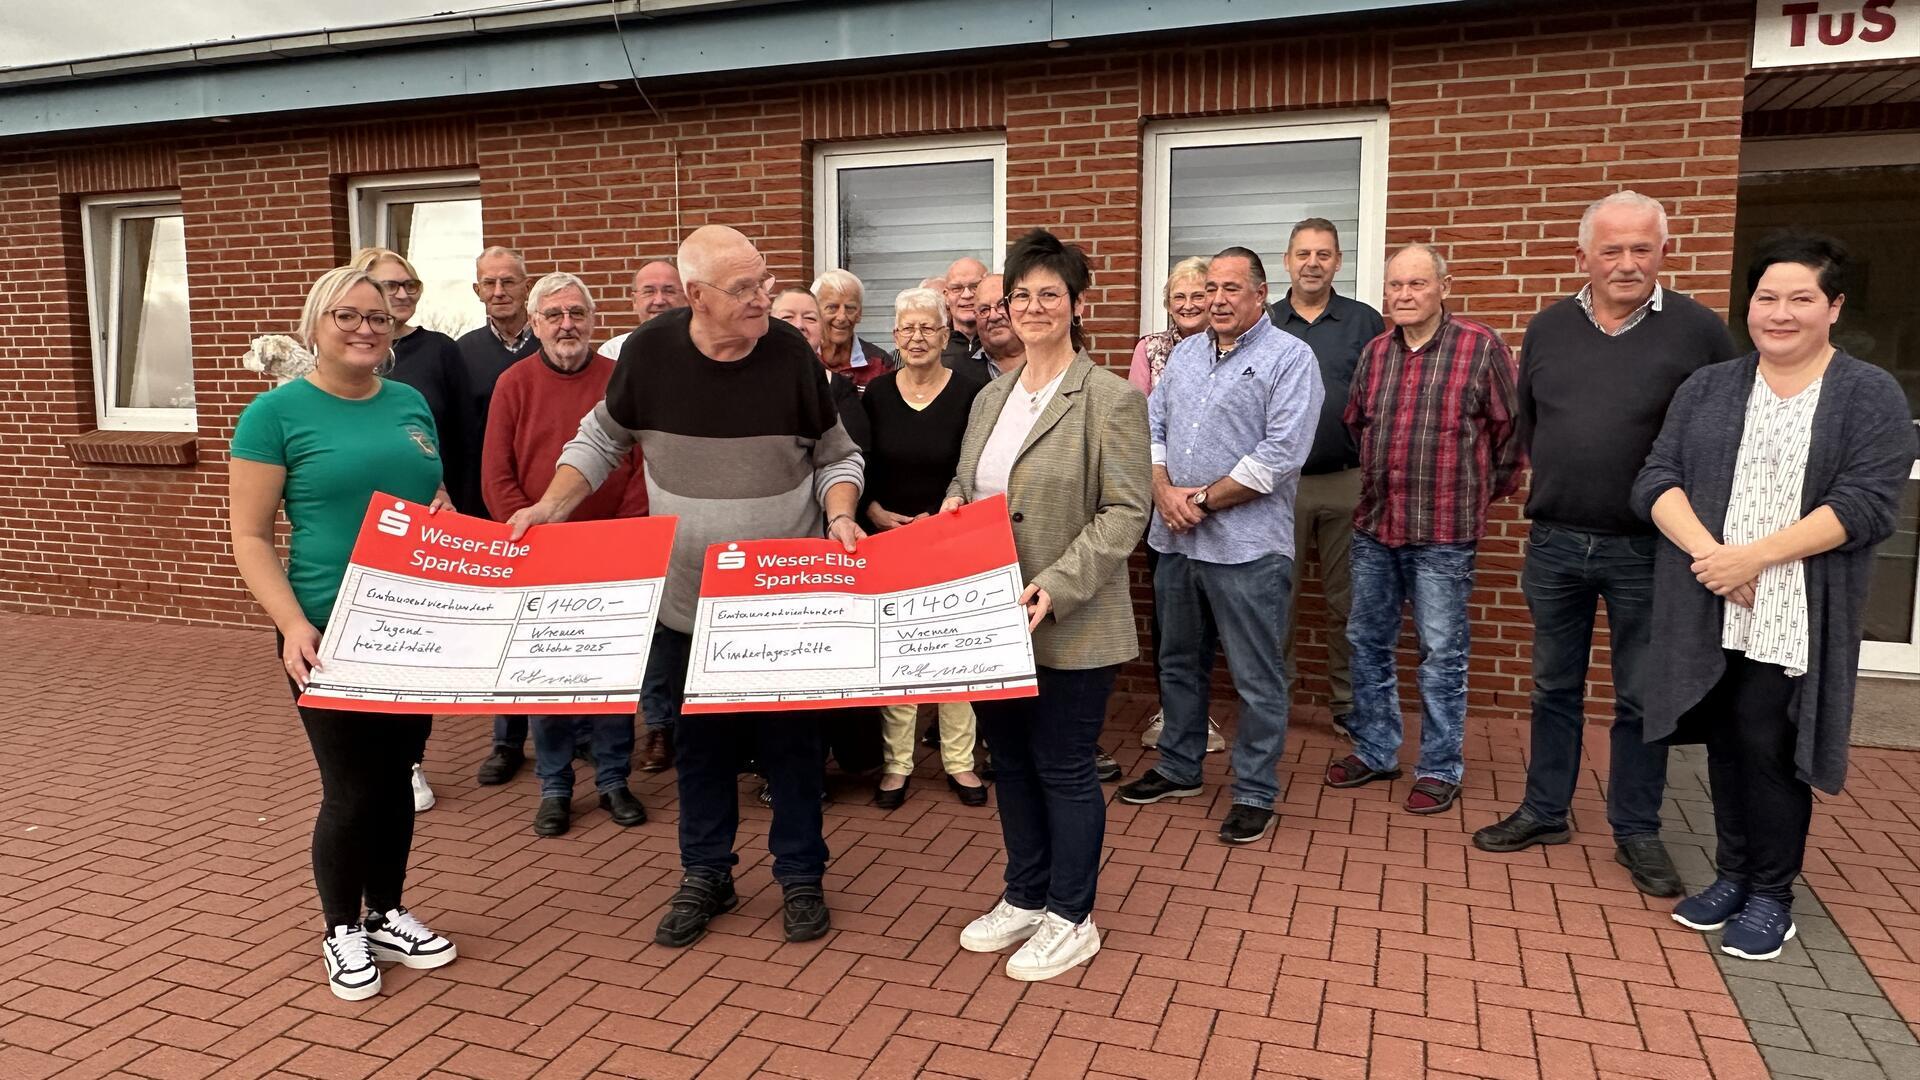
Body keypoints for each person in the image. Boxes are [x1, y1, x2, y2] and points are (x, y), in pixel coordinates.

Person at [508, 225, 865, 949]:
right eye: (745, 288)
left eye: (765, 281)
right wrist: (550, 505)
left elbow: (837, 455)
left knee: (794, 749)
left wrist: (840, 515)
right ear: (696, 296)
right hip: (689, 603)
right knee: (701, 751)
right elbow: (602, 437)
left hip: (780, 602)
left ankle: (800, 875)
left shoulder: (792, 355)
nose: (764, 297)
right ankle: (708, 873)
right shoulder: (650, 354)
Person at [1634, 233, 1914, 961]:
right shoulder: (1711, 388)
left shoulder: (1867, 392)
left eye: (1801, 299)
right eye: (1766, 298)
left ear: (1834, 307)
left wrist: (1754, 558)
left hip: (1796, 610)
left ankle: (1772, 895)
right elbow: (1656, 478)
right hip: (1710, 598)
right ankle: (1732, 875)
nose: (1779, 313)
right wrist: (1714, 558)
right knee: (1724, 742)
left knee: (1769, 743)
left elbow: (1865, 504)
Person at [1472, 193, 1740, 898]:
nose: (1626, 263)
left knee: (1643, 696)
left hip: (1651, 550)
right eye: (1612, 250)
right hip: (1557, 542)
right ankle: (1544, 810)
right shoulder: (1549, 327)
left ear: (1663, 253)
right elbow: (1533, 426)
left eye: (1641, 249)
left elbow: (1723, 438)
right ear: (1582, 258)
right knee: (1551, 687)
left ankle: (1636, 828)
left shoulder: (1700, 332)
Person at [228, 266, 458, 1001]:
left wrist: (447, 518)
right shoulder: (276, 414)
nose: (365, 328)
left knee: (395, 780)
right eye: (346, 316)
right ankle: (340, 927)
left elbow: (429, 496)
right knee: (351, 789)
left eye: (378, 317)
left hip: (410, 625)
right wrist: (292, 624)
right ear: (314, 325)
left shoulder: (410, 402)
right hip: (327, 628)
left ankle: (387, 911)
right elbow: (250, 536)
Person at [942, 229, 1150, 982]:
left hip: (1070, 618)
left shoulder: (1110, 398)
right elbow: (967, 487)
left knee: (1063, 767)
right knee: (1013, 764)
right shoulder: (991, 395)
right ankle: (1026, 895)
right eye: (1020, 295)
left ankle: (1072, 916)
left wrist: (1056, 586)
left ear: (1075, 305)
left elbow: (1127, 511)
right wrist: (951, 515)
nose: (1032, 307)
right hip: (989, 619)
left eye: (1048, 295)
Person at [1117, 248, 1323, 844]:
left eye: (1233, 288)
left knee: (1257, 676)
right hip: (1176, 541)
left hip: (1247, 547)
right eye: (1211, 288)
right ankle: (1180, 766)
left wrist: (1199, 500)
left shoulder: (1291, 359)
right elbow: (1150, 428)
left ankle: (1255, 790)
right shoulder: (1183, 356)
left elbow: (1282, 454)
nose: (1218, 299)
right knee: (1178, 661)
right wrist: (1161, 490)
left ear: (1261, 294)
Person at [1325, 244, 1522, 815]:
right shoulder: (1375, 353)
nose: (1404, 295)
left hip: (1444, 530)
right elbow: (1360, 426)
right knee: (1367, 644)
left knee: (1441, 653)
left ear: (1443, 286)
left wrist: (1479, 492)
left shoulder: (1479, 347)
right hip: (1376, 526)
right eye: (1395, 286)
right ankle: (1376, 750)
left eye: (1416, 284)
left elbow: (1510, 435)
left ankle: (1439, 767)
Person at [483, 272, 651, 837]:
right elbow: (496, 475)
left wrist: (623, 533)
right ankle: (555, 786)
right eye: (553, 315)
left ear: (594, 320)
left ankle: (612, 779)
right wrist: (536, 533)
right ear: (534, 324)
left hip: (612, 552)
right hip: (541, 552)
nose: (566, 324)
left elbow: (639, 464)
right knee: (545, 677)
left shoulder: (622, 379)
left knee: (611, 674)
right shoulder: (513, 383)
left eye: (576, 312)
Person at [345, 246, 474, 814]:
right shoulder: (334, 368)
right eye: (386, 287)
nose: (398, 296)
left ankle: (411, 760)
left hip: (425, 532)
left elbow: (463, 441)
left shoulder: (436, 354)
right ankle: (364, 765)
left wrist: (461, 513)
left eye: (409, 285)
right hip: (355, 535)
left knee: (415, 652)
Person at [864, 288, 987, 809]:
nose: (916, 338)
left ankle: (961, 763)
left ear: (945, 336)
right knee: (898, 655)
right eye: (906, 329)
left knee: (954, 653)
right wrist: (872, 512)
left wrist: (947, 507)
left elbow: (978, 461)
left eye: (927, 329)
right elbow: (857, 463)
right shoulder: (873, 395)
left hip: (952, 534)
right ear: (895, 338)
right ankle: (897, 764)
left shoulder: (972, 390)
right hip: (889, 538)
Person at [1269, 220, 1386, 738]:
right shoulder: (1265, 322)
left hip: (1347, 479)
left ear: (1339, 262)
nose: (1312, 263)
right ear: (1286, 261)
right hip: (1277, 485)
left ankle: (1346, 702)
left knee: (1348, 599)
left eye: (1323, 254)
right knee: (1278, 597)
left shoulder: (1365, 321)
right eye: (1302, 254)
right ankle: (1275, 697)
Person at [1128, 256, 1226, 757]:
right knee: (1171, 613)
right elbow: (1139, 423)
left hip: (1227, 503)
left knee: (1213, 612)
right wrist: (1164, 491)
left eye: (1197, 295)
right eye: (1178, 298)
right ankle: (1172, 710)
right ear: (1168, 304)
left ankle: (1200, 710)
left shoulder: (1233, 349)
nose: (1188, 305)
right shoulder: (1151, 349)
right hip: (1163, 501)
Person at [457, 246, 542, 788]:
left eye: (509, 281)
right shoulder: (462, 354)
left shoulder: (556, 342)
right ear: (477, 291)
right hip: (492, 511)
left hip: (558, 510)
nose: (499, 291)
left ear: (525, 287)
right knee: (506, 630)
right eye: (489, 283)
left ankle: (572, 733)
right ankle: (507, 740)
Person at [814, 269, 892, 391]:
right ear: (815, 311)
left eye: (850, 308)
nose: (842, 317)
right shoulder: (802, 359)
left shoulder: (879, 363)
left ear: (859, 314)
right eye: (832, 307)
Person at [598, 258, 687, 360]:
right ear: (634, 301)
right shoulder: (612, 353)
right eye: (649, 291)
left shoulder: (705, 350)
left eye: (669, 291)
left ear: (686, 299)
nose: (659, 301)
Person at [939, 256, 989, 367]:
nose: (967, 295)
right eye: (957, 288)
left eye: (975, 286)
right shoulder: (935, 345)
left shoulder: (1005, 341)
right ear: (946, 296)